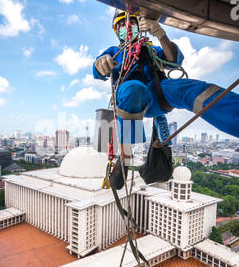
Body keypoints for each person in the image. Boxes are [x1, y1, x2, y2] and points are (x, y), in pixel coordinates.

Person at [93, 9, 239, 169]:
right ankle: (126, 152)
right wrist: (101, 63)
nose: (126, 26)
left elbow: (174, 60)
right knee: (134, 89)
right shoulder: (115, 52)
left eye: (131, 22)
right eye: (121, 24)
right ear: (116, 31)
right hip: (130, 97)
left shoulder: (151, 49)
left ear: (139, 25)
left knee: (188, 88)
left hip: (157, 93)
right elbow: (98, 69)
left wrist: (160, 34)